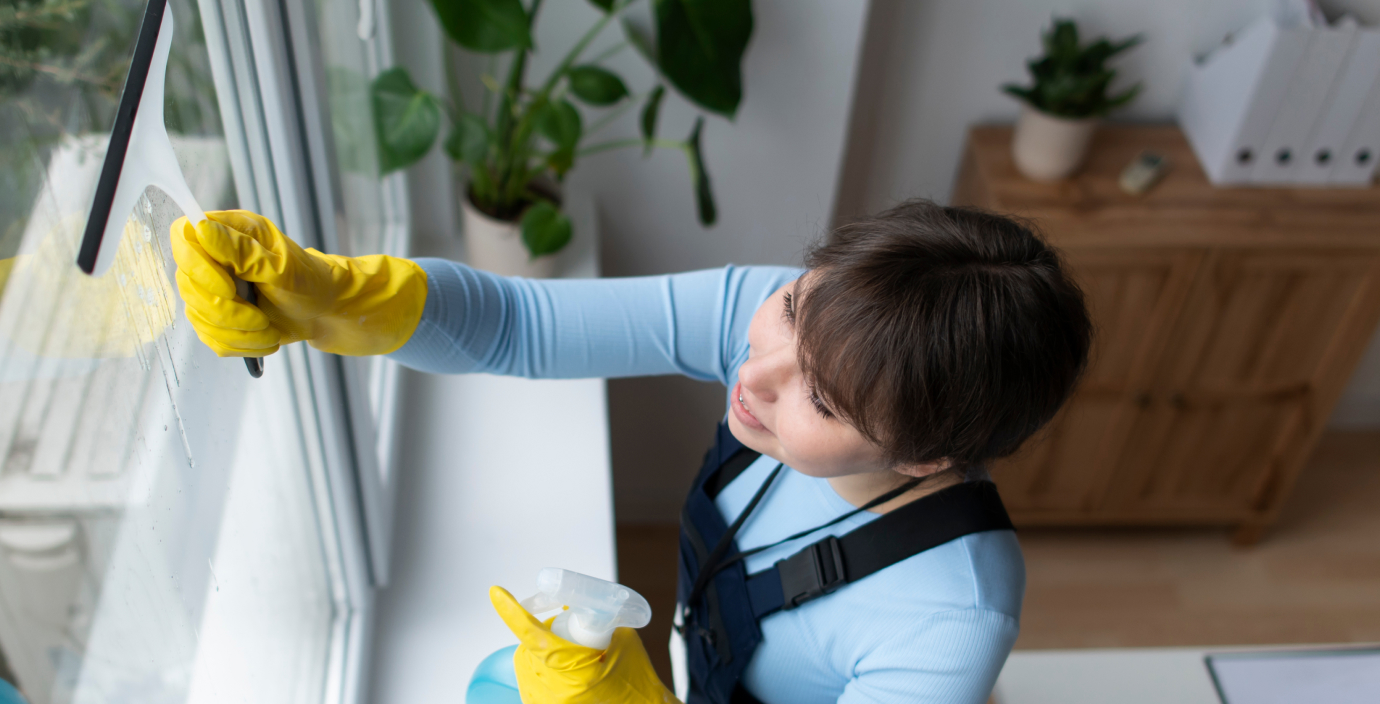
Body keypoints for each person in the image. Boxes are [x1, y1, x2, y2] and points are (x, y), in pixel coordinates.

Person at [170, 199, 1094, 704]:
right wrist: (333, 299)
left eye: (817, 396)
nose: (756, 371)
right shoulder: (795, 330)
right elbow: (516, 325)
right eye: (794, 307)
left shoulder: (948, 622)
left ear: (929, 456)